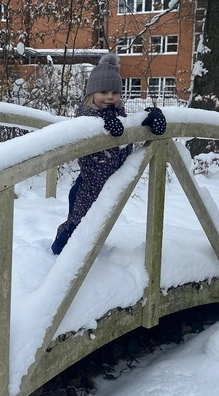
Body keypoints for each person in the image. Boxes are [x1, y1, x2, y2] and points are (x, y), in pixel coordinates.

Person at [51, 53, 167, 255]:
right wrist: (103, 123)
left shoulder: (119, 115)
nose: (110, 97)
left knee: (97, 225)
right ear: (91, 95)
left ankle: (85, 254)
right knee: (77, 225)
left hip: (108, 183)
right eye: (103, 92)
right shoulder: (86, 116)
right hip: (87, 187)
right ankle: (59, 252)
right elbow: (85, 124)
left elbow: (129, 125)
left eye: (115, 92)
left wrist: (150, 116)